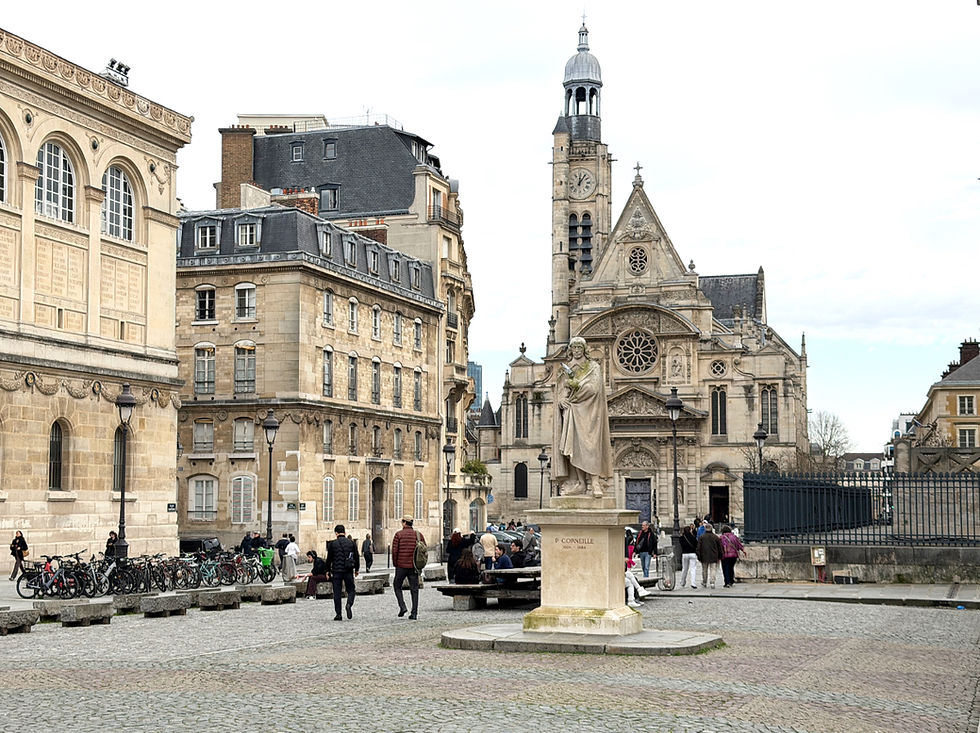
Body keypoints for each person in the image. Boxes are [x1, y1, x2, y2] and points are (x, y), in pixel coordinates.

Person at [553, 336, 613, 498]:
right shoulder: (565, 368)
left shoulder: (593, 367)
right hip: (572, 411)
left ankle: (594, 482)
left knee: (591, 445)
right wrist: (562, 399)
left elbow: (594, 388)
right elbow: (560, 390)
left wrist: (577, 385)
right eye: (574, 348)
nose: (577, 350)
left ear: (584, 349)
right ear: (571, 350)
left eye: (580, 347)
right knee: (574, 447)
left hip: (591, 412)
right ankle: (580, 483)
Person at [326, 525, 358, 620]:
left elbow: (329, 559)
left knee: (337, 593)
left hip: (336, 571)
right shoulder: (351, 543)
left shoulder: (332, 544)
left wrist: (327, 570)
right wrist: (357, 569)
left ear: (336, 533)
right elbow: (356, 557)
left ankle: (338, 614)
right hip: (348, 570)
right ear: (345, 532)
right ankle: (349, 604)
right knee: (351, 589)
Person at [391, 514, 420, 619]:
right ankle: (414, 613)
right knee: (414, 589)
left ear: (404, 522)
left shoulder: (398, 535)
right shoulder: (418, 535)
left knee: (397, 586)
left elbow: (394, 551)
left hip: (401, 565)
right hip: (413, 566)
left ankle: (402, 606)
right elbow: (423, 550)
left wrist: (395, 564)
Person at [696, 524, 723, 589]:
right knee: (713, 569)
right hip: (714, 556)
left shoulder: (702, 537)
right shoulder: (716, 537)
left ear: (705, 529)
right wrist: (720, 556)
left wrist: (699, 556)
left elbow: (698, 548)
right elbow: (720, 548)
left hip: (704, 556)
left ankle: (704, 582)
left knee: (704, 570)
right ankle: (712, 582)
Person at [679, 523, 699, 589]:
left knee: (684, 568)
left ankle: (682, 582)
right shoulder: (693, 537)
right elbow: (696, 545)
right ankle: (693, 583)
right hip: (692, 554)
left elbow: (681, 545)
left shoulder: (681, 538)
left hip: (684, 554)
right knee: (693, 568)